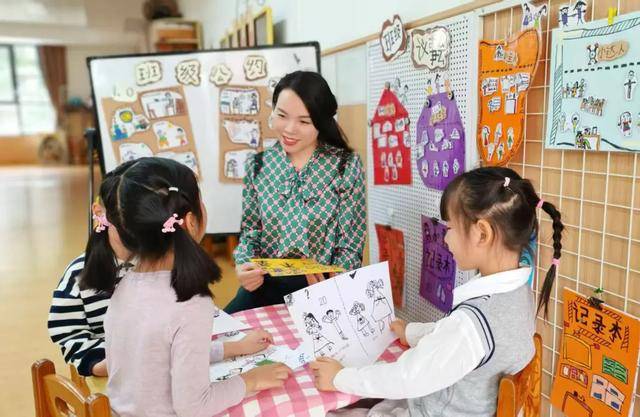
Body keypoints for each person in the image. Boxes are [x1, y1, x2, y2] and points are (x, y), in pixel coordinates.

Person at [311, 167, 564, 417]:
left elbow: (407, 377)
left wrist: (339, 378)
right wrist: (412, 333)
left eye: (450, 228)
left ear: (482, 233)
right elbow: (451, 340)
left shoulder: (470, 324)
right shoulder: (519, 293)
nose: (445, 239)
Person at [81, 157, 292, 417]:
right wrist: (250, 381)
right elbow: (193, 407)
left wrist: (233, 348)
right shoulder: (190, 304)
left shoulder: (125, 284)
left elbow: (158, 356)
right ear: (191, 221)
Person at [225, 71, 366, 313]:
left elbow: (351, 244)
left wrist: (334, 283)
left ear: (321, 122)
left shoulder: (345, 166)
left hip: (325, 289)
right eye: (282, 115)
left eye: (304, 121)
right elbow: (251, 233)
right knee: (221, 330)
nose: (289, 129)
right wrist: (244, 266)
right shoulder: (258, 166)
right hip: (264, 285)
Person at [47, 160, 136, 377]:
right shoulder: (79, 274)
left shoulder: (163, 263)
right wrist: (102, 365)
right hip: (110, 377)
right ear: (100, 213)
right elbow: (69, 336)